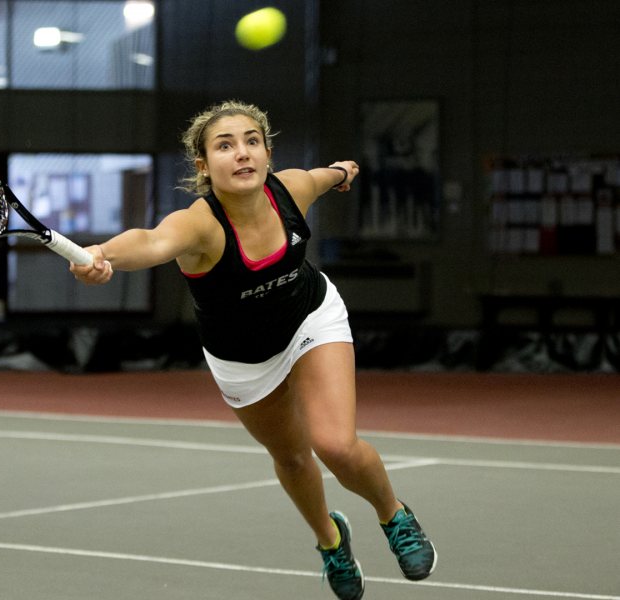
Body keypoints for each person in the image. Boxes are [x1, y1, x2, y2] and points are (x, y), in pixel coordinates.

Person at [70, 100, 437, 599]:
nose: (241, 153)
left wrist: (343, 170)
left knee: (334, 444)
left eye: (251, 141)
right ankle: (331, 542)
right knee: (291, 457)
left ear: (266, 152)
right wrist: (102, 255)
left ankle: (395, 516)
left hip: (311, 318)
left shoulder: (290, 190)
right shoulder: (199, 226)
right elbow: (151, 241)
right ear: (203, 165)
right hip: (244, 359)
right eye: (224, 146)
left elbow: (324, 176)